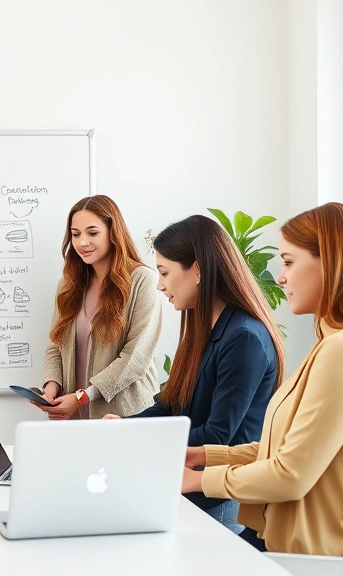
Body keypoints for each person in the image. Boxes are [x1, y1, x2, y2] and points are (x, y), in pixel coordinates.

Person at [182, 203, 343, 558]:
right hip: (286, 545)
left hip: (304, 559)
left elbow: (290, 474)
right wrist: (202, 456)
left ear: (333, 263)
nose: (280, 277)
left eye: (289, 262)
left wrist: (197, 480)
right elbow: (283, 450)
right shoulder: (339, 344)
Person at [104, 215, 284, 533]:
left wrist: (138, 437)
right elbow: (170, 405)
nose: (159, 285)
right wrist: (125, 427)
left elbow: (217, 435)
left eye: (164, 273)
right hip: (189, 482)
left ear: (197, 270)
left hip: (217, 498)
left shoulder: (244, 337)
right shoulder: (205, 328)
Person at [38, 195, 163, 419]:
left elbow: (136, 358)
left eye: (92, 233)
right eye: (75, 234)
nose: (82, 242)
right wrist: (51, 388)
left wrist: (82, 398)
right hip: (73, 416)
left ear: (113, 232)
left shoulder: (143, 280)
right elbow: (55, 346)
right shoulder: (68, 285)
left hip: (124, 416)